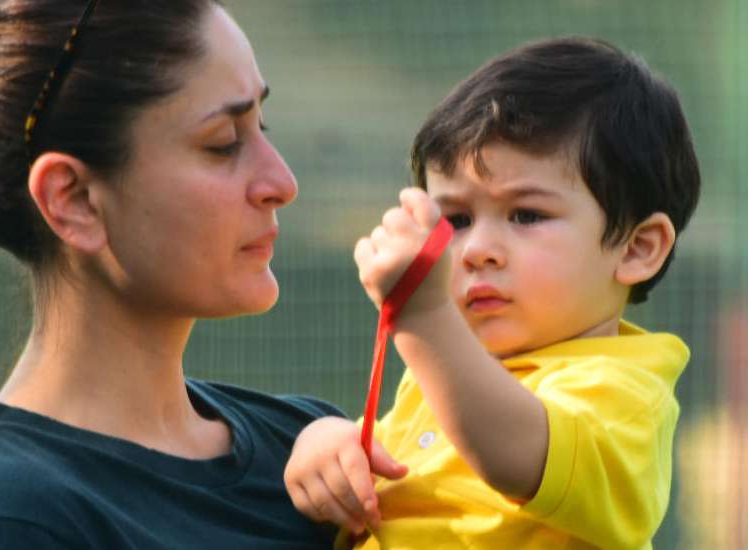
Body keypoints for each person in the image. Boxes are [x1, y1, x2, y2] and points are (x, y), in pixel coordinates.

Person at [0, 1, 343, 548]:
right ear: (74, 199)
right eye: (223, 143)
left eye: (262, 125)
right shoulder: (8, 518)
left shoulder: (313, 456)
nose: (281, 181)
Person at [284, 36, 701, 549]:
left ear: (637, 249)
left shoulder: (624, 393)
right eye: (456, 219)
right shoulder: (435, 378)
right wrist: (330, 448)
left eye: (527, 215)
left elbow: (512, 453)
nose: (478, 249)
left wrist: (424, 315)